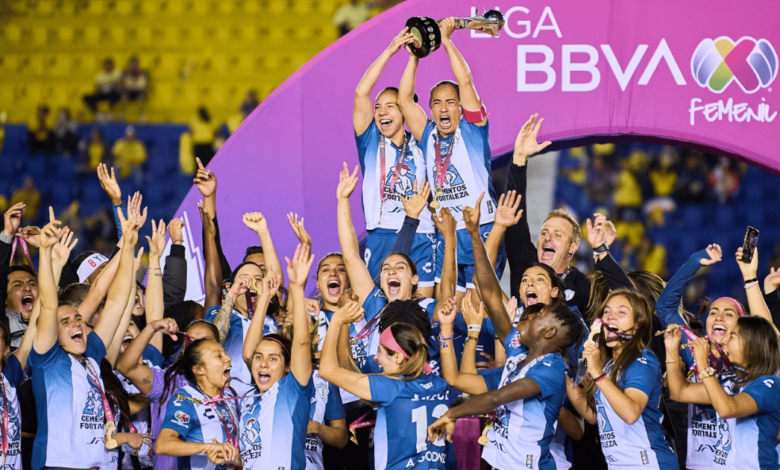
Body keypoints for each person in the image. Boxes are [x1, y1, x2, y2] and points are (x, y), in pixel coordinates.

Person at [398, 18, 505, 301]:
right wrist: (415, 56)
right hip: (449, 233)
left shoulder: (473, 128)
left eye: (450, 102)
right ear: (431, 109)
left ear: (460, 107)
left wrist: (446, 40)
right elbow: (405, 101)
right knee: (450, 306)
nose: (443, 108)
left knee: (481, 303)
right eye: (437, 103)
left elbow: (465, 81)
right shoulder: (428, 134)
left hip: (482, 226)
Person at [29, 207, 138, 470]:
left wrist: (128, 244)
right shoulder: (47, 359)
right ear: (52, 332)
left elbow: (116, 302)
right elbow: (48, 306)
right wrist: (45, 253)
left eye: (78, 318)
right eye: (65, 322)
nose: (76, 322)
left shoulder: (91, 356)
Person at [429, 300, 582, 470]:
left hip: (543, 463)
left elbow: (579, 432)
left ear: (546, 332)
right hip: (505, 462)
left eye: (534, 318)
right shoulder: (512, 371)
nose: (523, 324)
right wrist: (449, 328)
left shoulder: (554, 372)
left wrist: (552, 406)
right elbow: (457, 380)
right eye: (523, 320)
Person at [319, 300, 451, 470]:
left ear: (398, 357)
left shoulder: (390, 387)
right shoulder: (441, 384)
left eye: (380, 351)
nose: (376, 357)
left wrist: (337, 320)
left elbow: (327, 370)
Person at [353, 30, 436, 297]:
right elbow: (361, 92)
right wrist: (389, 51)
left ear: (403, 110)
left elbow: (407, 98)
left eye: (390, 106)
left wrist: (414, 58)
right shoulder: (370, 141)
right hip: (381, 234)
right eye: (378, 107)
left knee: (421, 307)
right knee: (377, 306)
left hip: (422, 231)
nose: (381, 112)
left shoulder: (423, 142)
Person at [566, 290, 678, 470]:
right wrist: (564, 379)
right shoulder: (608, 365)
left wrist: (597, 374)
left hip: (649, 462)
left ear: (637, 325)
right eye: (607, 311)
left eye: (621, 312)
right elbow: (594, 417)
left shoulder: (642, 360)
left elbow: (631, 413)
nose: (610, 316)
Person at [229, 244, 316, 469]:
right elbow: (248, 352)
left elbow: (301, 342)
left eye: (273, 359)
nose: (263, 364)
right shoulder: (248, 402)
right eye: (259, 358)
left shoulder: (292, 390)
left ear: (288, 366)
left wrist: (297, 288)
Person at [666, 316, 780, 470]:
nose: (725, 340)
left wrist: (703, 365)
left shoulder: (768, 384)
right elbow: (680, 392)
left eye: (732, 336)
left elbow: (727, 409)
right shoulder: (730, 382)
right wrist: (671, 349)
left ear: (753, 347)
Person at [115, 318, 219, 470]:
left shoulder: (230, 391)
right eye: (190, 341)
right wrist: (152, 327)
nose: (197, 346)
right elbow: (126, 367)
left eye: (205, 340)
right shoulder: (166, 383)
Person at [155, 337, 239, 469]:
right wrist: (208, 447)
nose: (228, 358)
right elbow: (163, 444)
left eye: (225, 353)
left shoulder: (230, 395)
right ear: (199, 369)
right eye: (218, 356)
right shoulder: (186, 398)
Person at [120, 57, 149, 121]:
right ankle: (123, 114)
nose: (133, 65)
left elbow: (146, 84)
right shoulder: (125, 73)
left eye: (135, 63)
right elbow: (121, 84)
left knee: (142, 95)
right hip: (128, 91)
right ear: (130, 64)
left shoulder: (143, 73)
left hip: (139, 91)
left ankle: (142, 115)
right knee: (123, 95)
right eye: (132, 63)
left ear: (137, 64)